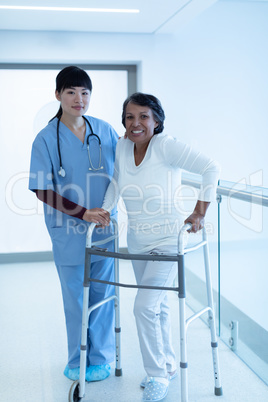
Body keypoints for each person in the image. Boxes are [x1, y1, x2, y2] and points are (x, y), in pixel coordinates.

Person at [102, 92, 220, 401]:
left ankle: (157, 376)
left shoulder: (166, 146)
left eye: (143, 116)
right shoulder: (122, 146)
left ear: (157, 121)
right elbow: (114, 182)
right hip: (137, 242)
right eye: (130, 117)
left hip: (167, 242)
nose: (136, 123)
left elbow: (210, 167)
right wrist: (105, 210)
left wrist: (199, 212)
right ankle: (166, 364)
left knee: (143, 307)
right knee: (158, 307)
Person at [29, 66, 118, 382]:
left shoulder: (105, 131)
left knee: (104, 297)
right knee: (76, 300)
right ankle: (77, 358)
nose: (79, 99)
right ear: (58, 95)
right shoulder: (45, 138)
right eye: (71, 92)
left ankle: (103, 358)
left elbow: (124, 172)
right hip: (68, 232)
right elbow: (41, 188)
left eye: (85, 92)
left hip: (105, 228)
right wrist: (83, 213)